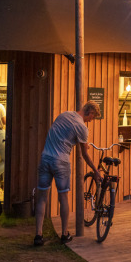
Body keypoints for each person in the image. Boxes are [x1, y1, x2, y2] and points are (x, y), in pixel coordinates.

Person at [34, 101, 102, 246]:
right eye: (92, 118)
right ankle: (64, 234)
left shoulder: (63, 115)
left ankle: (38, 235)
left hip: (45, 158)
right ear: (90, 113)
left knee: (42, 198)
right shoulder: (82, 127)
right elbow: (84, 154)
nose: (91, 121)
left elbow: (61, 135)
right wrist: (95, 171)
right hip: (61, 162)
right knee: (63, 197)